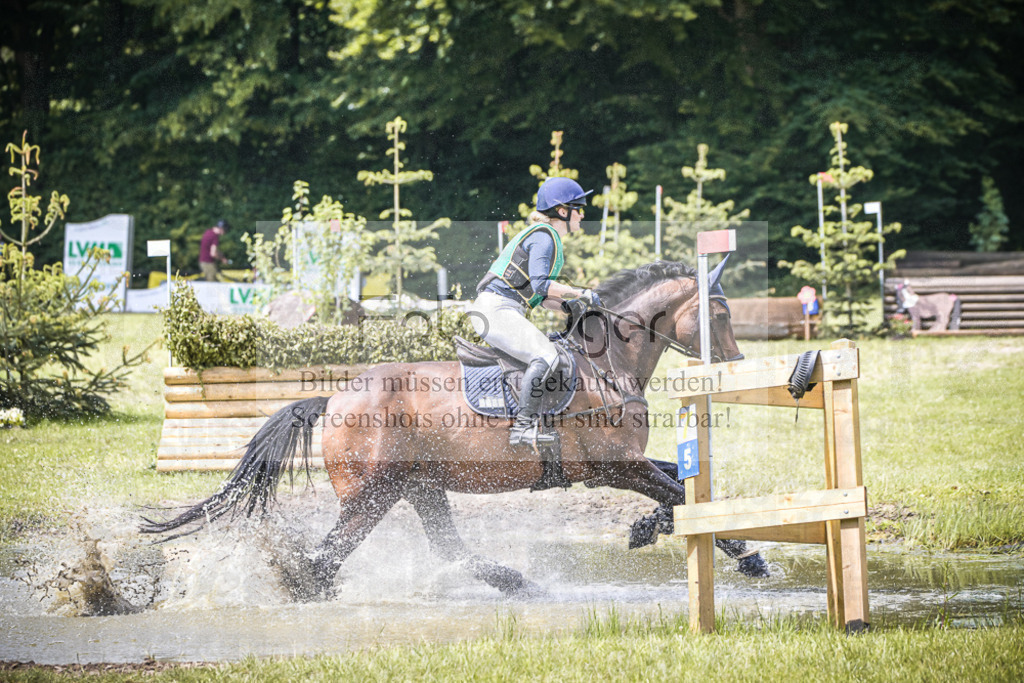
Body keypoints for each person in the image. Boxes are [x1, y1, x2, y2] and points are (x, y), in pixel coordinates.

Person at [469, 177, 602, 446]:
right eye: (579, 208)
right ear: (562, 211)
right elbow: (542, 283)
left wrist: (569, 306)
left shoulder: (545, 236)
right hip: (496, 309)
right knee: (546, 355)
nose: (583, 215)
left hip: (503, 308)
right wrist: (581, 293)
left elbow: (540, 296)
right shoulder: (544, 236)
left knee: (547, 351)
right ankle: (523, 427)